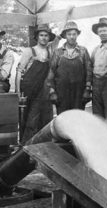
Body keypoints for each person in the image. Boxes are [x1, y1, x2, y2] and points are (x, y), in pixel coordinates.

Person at [15, 7, 74, 143]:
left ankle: (43, 149)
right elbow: (19, 72)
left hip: (45, 92)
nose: (44, 37)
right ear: (37, 37)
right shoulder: (29, 51)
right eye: (41, 35)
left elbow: (59, 32)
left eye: (46, 35)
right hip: (30, 92)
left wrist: (67, 14)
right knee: (30, 121)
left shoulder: (50, 49)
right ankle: (26, 149)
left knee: (45, 120)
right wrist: (18, 93)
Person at [47, 21, 92, 115]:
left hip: (78, 93)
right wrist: (52, 92)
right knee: (63, 119)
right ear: (65, 36)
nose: (72, 36)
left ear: (77, 35)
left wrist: (87, 90)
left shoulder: (83, 51)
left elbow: (88, 71)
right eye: (69, 34)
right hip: (61, 93)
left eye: (74, 34)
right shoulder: (58, 52)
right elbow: (51, 73)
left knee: (78, 117)